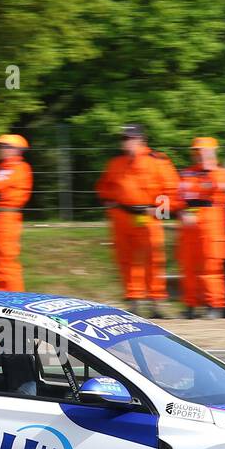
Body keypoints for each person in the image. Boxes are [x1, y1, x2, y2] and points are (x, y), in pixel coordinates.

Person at [95, 123, 180, 318]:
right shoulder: (116, 163)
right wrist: (111, 203)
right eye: (124, 138)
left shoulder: (158, 161)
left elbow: (172, 191)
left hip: (148, 217)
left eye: (130, 138)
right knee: (126, 259)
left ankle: (155, 303)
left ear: (141, 140)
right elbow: (103, 187)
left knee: (153, 259)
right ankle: (133, 301)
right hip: (122, 217)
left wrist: (159, 212)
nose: (126, 142)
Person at [175, 137, 225, 319]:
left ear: (213, 152)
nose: (199, 155)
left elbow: (222, 186)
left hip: (212, 225)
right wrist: (181, 212)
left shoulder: (221, 172)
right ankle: (190, 305)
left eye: (204, 151)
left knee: (211, 268)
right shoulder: (186, 173)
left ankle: (214, 306)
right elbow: (178, 197)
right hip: (189, 225)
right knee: (188, 267)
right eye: (197, 151)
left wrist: (209, 168)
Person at [0, 134, 33, 291]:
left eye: (3, 146)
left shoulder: (18, 167)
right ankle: (1, 299)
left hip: (5, 219)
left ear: (15, 150)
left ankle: (16, 301)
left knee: (5, 262)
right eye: (0, 146)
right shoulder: (3, 168)